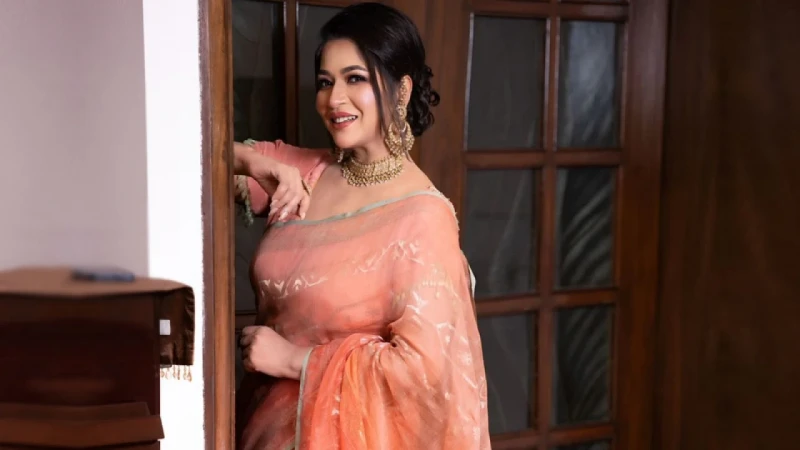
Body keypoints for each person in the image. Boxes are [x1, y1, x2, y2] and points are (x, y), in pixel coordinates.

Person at [233, 3, 490, 449]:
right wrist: (254, 162)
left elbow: (423, 371)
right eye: (325, 82)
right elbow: (191, 149)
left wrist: (293, 361)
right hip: (260, 431)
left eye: (355, 79)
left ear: (402, 90)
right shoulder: (303, 173)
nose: (334, 99)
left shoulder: (423, 218)